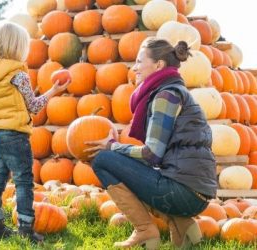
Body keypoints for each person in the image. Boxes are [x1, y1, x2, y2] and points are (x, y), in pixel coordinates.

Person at [86, 38, 217, 249]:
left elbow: (152, 154)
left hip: (183, 192)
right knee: (122, 164)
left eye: (139, 61)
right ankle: (183, 225)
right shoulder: (173, 90)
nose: (134, 67)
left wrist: (113, 146)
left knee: (103, 160)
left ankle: (145, 231)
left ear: (158, 65)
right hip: (192, 190)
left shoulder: (166, 96)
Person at [0, 21, 69, 242]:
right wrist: (53, 90)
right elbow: (33, 107)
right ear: (19, 48)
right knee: (23, 181)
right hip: (16, 134)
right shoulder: (18, 75)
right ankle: (26, 228)